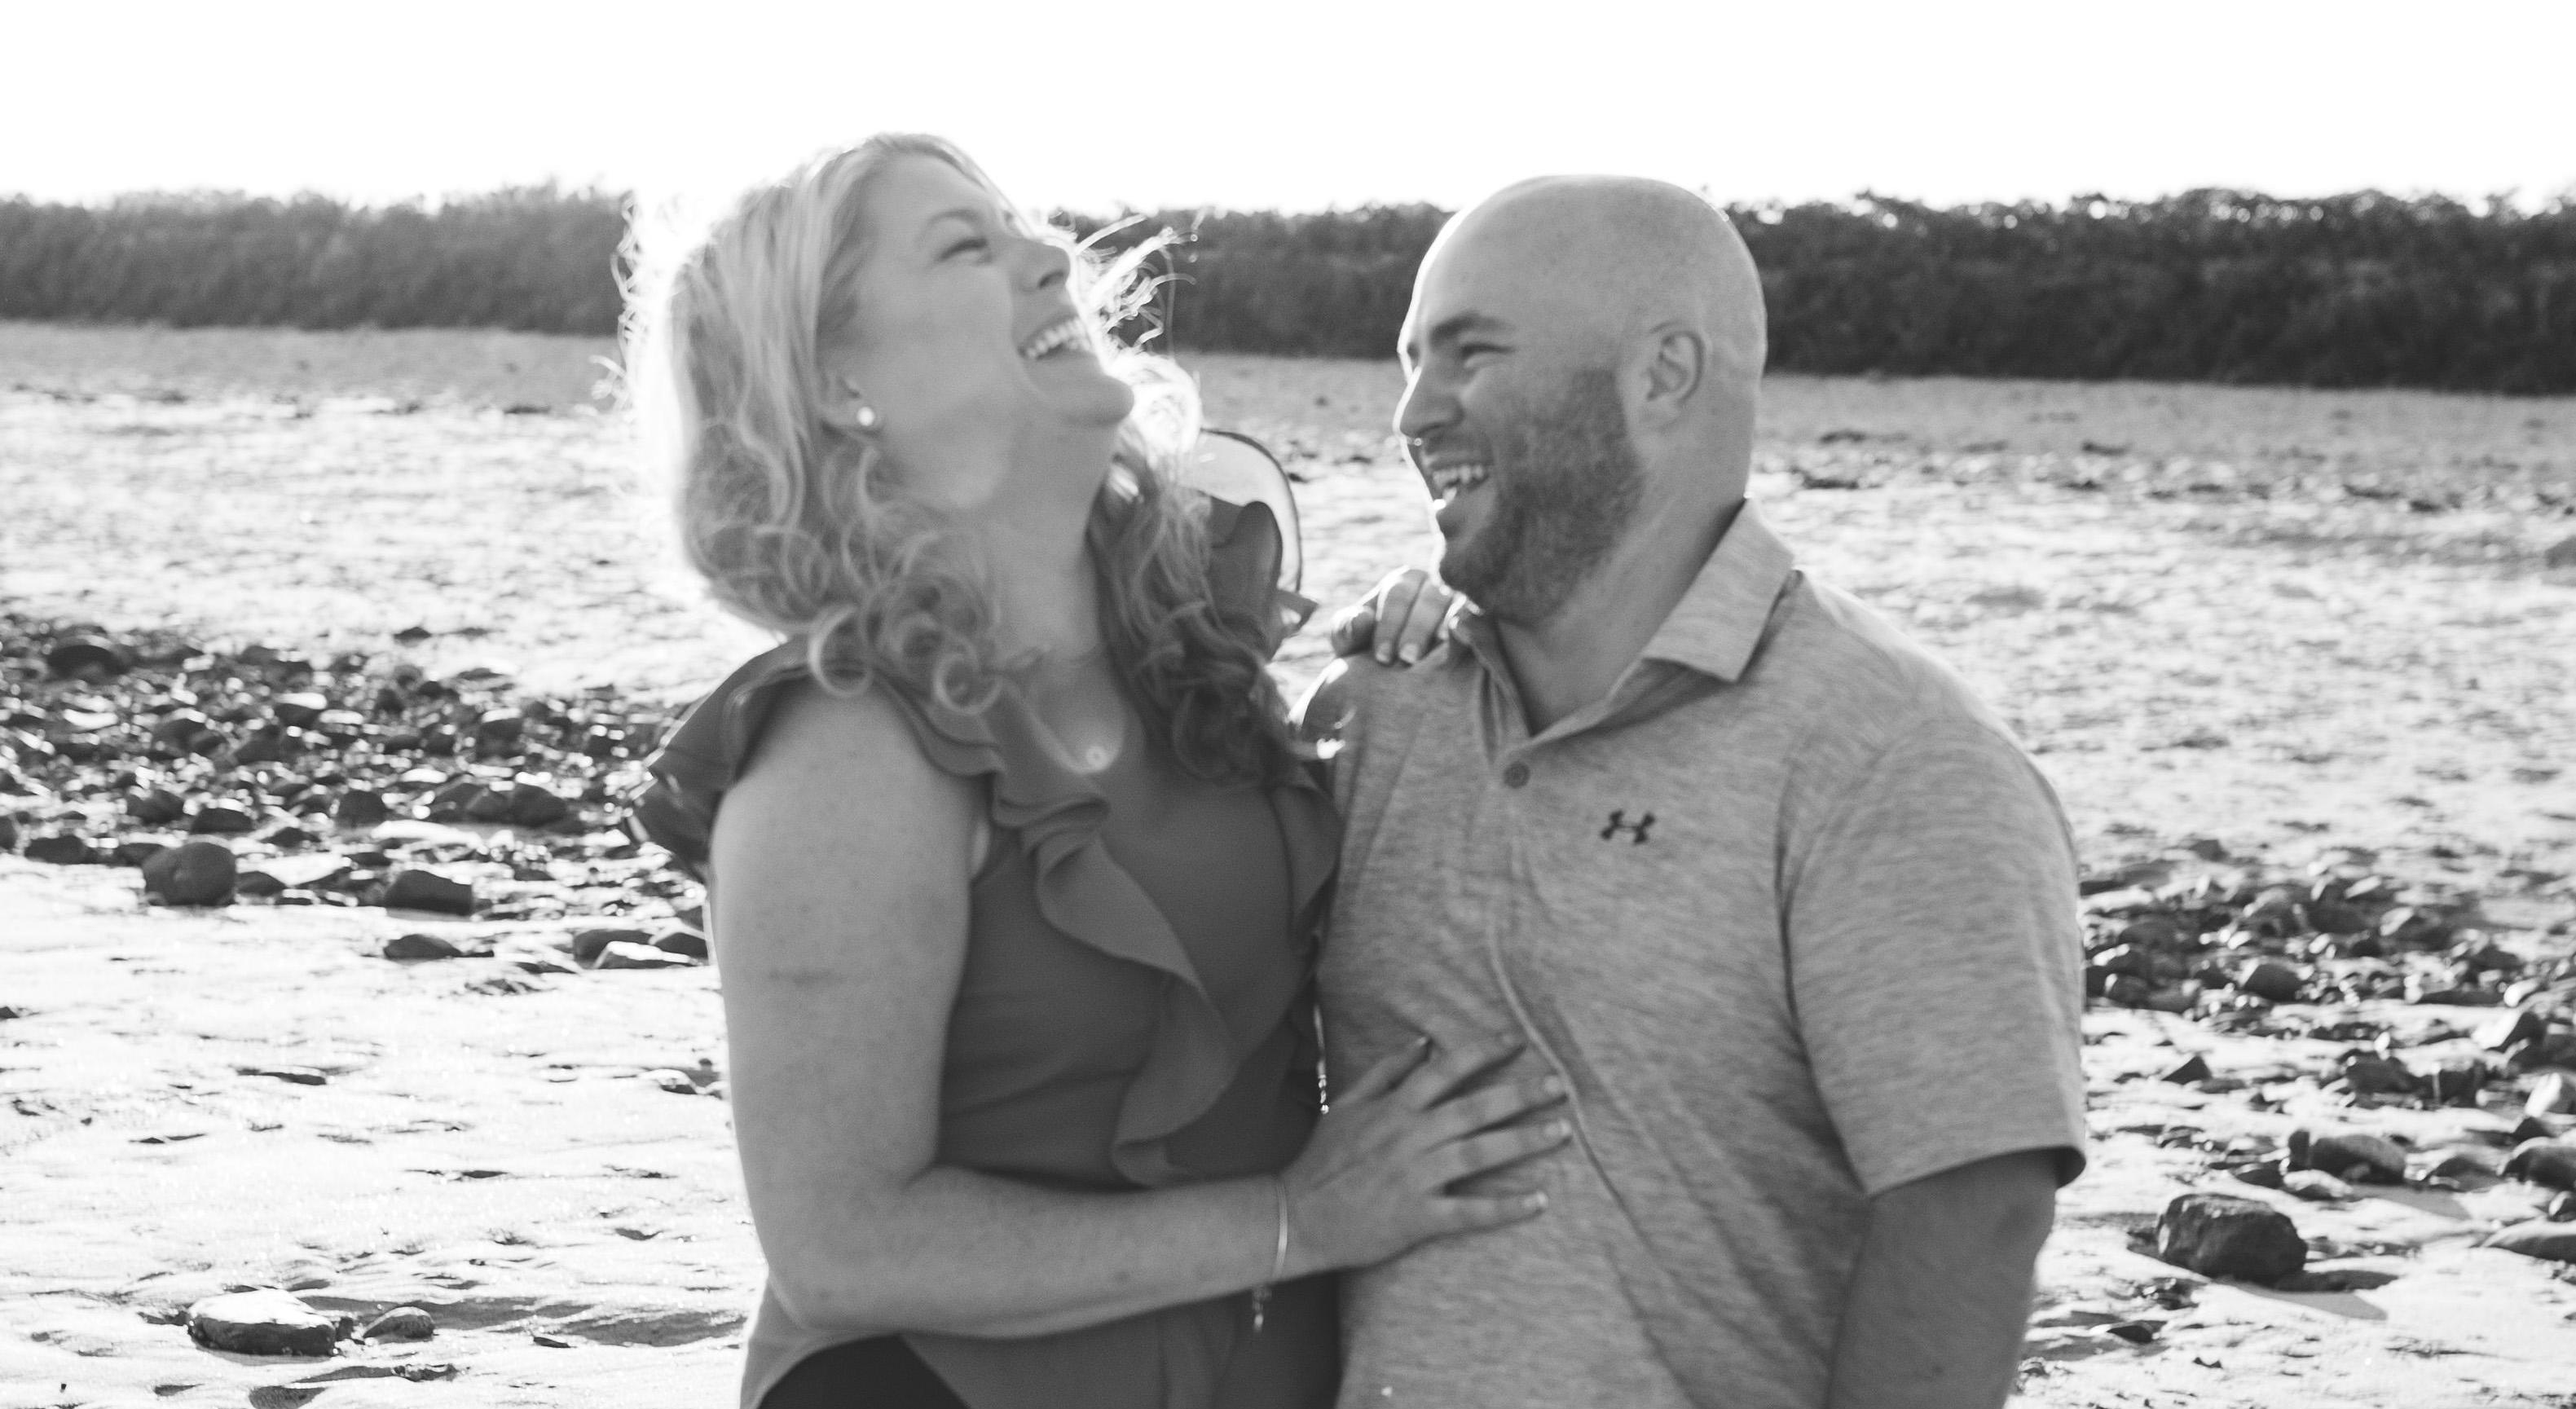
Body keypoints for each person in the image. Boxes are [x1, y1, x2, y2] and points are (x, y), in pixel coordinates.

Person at [623, 134, 1569, 1409]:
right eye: (966, 245)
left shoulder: (1194, 649)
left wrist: (1438, 649)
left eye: (1024, 225)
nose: (1050, 256)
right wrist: (1297, 1217)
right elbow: (841, 1248)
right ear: (841, 378)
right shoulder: (843, 754)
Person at [1300, 176, 2089, 1409]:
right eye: (1410, 362)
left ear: (1662, 374)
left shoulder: (1895, 755)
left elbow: (1972, 1215)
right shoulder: (1372, 711)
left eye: (1470, 353)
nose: (1412, 411)